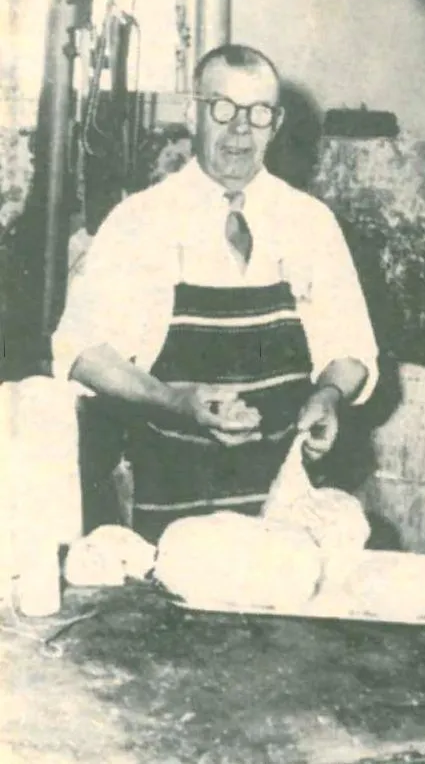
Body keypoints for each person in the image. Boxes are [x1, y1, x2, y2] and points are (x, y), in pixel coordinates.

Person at [52, 44, 379, 541]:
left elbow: (351, 347)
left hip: (287, 507)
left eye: (258, 112)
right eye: (222, 109)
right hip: (174, 508)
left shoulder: (310, 222)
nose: (240, 129)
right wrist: (174, 399)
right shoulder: (139, 221)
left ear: (277, 121)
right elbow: (81, 353)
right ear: (193, 112)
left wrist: (330, 395)